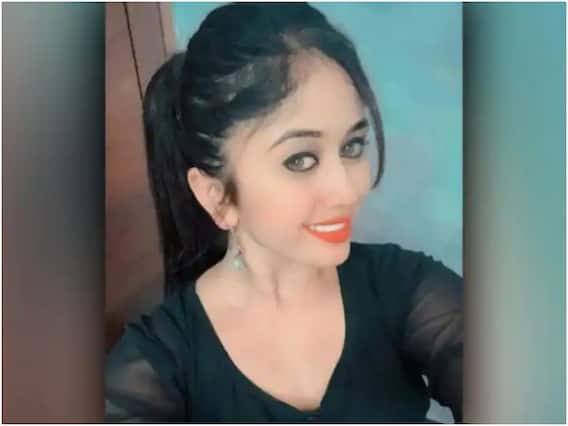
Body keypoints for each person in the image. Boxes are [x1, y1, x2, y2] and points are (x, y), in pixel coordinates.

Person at [105, 2, 463, 423]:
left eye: (352, 146)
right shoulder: (159, 362)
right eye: (300, 160)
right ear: (217, 197)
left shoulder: (407, 288)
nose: (348, 190)